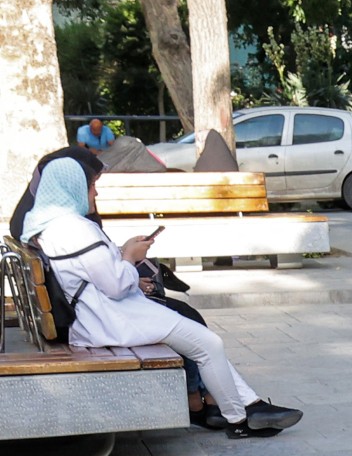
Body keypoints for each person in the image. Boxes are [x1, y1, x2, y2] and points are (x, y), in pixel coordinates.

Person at [23, 158, 303, 437]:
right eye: (92, 185)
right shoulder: (74, 228)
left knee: (201, 341)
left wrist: (123, 255)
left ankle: (248, 408)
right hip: (109, 319)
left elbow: (96, 272)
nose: (96, 193)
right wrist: (131, 257)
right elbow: (116, 285)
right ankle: (239, 420)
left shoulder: (45, 224)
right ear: (72, 186)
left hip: (99, 314)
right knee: (207, 344)